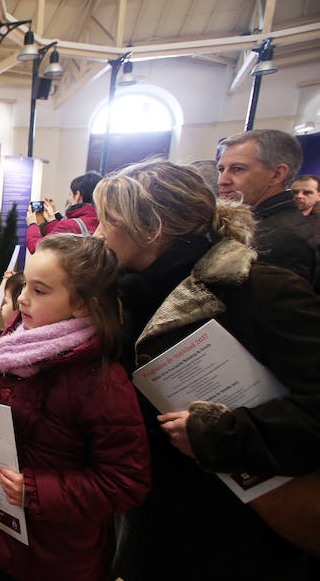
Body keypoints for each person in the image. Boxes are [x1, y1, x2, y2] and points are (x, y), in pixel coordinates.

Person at [93, 160, 320, 581]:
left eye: (109, 221)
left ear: (150, 227)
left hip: (235, 526)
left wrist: (218, 433)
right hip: (155, 512)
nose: (99, 232)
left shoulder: (263, 292)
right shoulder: (126, 295)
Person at [0, 234, 150, 581]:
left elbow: (127, 480)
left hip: (56, 558)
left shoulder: (100, 384)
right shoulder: (22, 354)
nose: (23, 299)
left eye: (40, 291)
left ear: (83, 304)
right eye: (25, 285)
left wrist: (37, 491)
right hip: (5, 535)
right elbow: (3, 407)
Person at [217, 129, 318, 284]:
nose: (222, 181)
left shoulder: (284, 239)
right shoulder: (255, 223)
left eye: (237, 169)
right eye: (221, 169)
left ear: (277, 174)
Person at [25, 171, 102, 253]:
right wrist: (52, 220)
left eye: (71, 194)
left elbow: (38, 248)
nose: (70, 199)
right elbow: (59, 237)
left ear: (78, 195)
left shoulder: (70, 225)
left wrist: (32, 224)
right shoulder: (105, 222)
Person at [291, 174, 320, 240]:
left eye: (306, 192)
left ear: (319, 196)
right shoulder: (273, 218)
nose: (299, 196)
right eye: (295, 192)